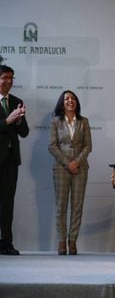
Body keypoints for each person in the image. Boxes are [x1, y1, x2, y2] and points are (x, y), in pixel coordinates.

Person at [48, 90, 92, 255]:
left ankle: (72, 241)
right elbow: (52, 146)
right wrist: (68, 163)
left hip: (80, 168)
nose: (70, 100)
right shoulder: (55, 122)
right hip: (61, 168)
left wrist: (76, 162)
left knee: (77, 205)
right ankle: (61, 241)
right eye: (66, 98)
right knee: (61, 206)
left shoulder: (84, 122)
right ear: (62, 102)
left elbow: (88, 146)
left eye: (73, 98)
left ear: (76, 102)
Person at [0, 65, 29, 255]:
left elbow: (24, 133)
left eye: (12, 78)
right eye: (5, 78)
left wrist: (18, 120)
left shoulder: (17, 101)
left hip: (10, 161)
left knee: (7, 203)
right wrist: (7, 121)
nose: (9, 81)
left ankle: (6, 243)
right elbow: (6, 124)